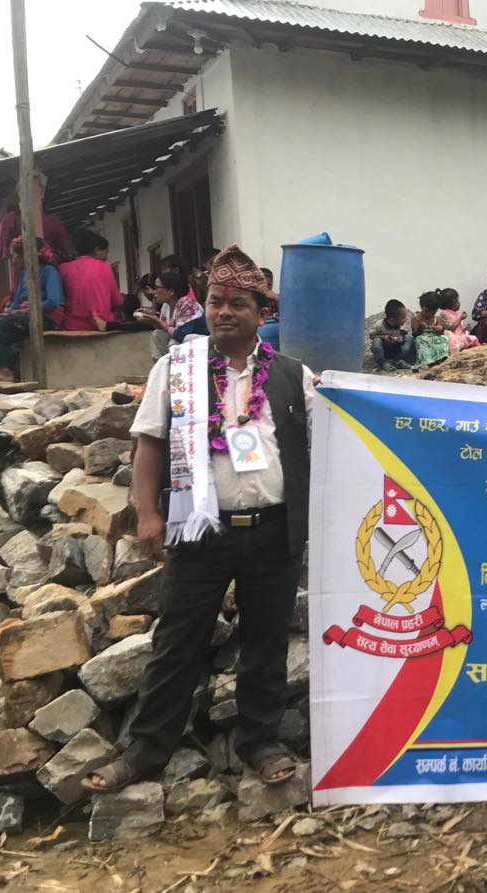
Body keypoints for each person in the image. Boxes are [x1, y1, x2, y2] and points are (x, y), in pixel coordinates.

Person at [82, 244, 314, 794]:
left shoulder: (293, 376)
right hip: (196, 529)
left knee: (265, 644)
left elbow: (329, 441)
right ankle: (145, 750)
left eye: (238, 304)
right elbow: (149, 445)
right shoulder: (176, 368)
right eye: (215, 302)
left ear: (262, 313)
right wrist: (148, 515)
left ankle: (259, 741)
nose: (224, 311)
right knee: (176, 643)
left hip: (273, 532)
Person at [0, 237, 65, 380]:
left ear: (27, 255)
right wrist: (2, 314)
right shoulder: (25, 275)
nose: (13, 260)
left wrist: (24, 311)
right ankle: (0, 369)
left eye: (15, 256)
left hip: (46, 319)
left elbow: (53, 301)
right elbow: (16, 302)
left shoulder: (49, 271)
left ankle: (8, 369)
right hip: (24, 317)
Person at [59, 229, 120, 332]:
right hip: (103, 326)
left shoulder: (64, 268)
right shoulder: (105, 267)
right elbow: (117, 301)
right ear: (95, 248)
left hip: (73, 328)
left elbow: (60, 301)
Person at [369, 299, 416, 371]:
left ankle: (398, 360)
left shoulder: (401, 325)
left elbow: (404, 334)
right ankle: (383, 362)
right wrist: (383, 337)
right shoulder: (379, 325)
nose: (405, 319)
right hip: (385, 350)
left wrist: (401, 338)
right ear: (392, 319)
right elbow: (371, 336)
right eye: (403, 318)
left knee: (409, 338)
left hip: (396, 349)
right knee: (376, 340)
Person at [412, 291, 451, 366]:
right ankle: (427, 361)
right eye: (426, 311)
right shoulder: (416, 318)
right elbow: (414, 334)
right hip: (422, 339)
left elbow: (440, 333)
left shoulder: (436, 319)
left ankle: (441, 358)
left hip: (434, 338)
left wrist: (440, 329)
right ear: (421, 307)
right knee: (419, 340)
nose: (429, 314)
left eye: (433, 312)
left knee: (444, 338)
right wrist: (420, 328)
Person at [435, 288, 479, 354]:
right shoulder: (444, 313)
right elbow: (451, 328)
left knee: (470, 337)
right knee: (473, 338)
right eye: (458, 300)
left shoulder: (455, 314)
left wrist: (465, 328)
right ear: (454, 301)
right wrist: (460, 318)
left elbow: (459, 328)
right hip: (454, 339)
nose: (459, 302)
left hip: (460, 337)